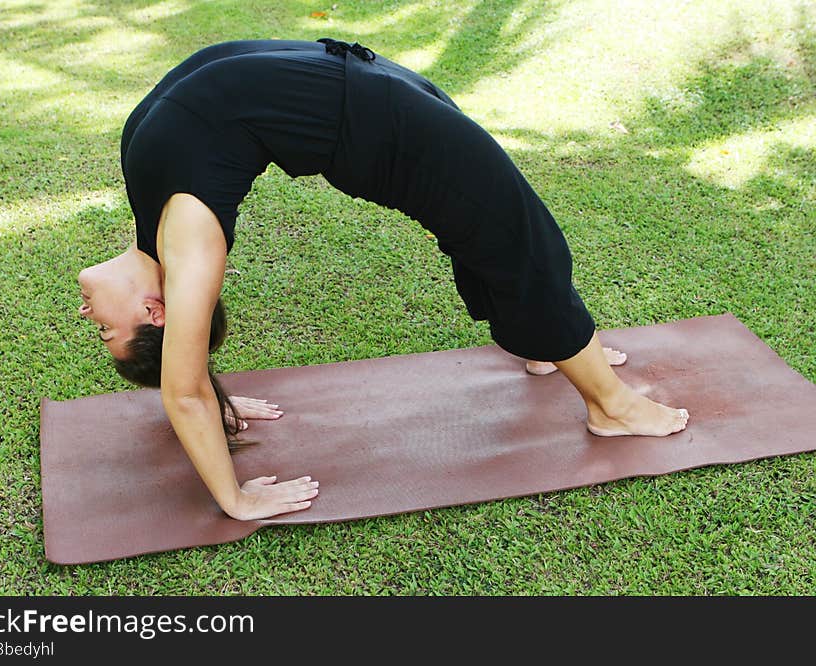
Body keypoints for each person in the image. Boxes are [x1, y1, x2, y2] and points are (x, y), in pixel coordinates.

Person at [77, 38, 689, 521]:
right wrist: (234, 497)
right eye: (104, 330)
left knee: (492, 227)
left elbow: (191, 387)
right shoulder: (187, 242)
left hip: (365, 79)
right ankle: (610, 406)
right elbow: (183, 392)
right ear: (156, 311)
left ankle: (543, 348)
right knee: (516, 240)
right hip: (380, 122)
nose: (86, 318)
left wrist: (216, 400)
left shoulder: (150, 206)